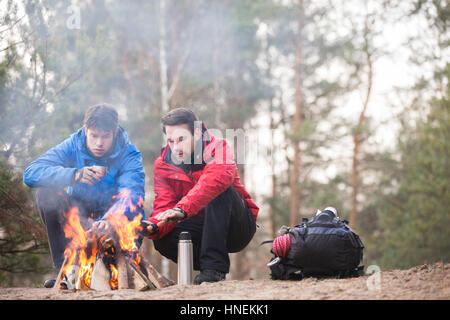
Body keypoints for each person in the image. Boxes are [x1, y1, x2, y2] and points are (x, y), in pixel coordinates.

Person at [23, 104, 145, 287]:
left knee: (139, 211)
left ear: (115, 131)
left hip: (112, 216)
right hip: (79, 215)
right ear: (86, 130)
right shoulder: (73, 144)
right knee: (45, 193)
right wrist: (73, 175)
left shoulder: (129, 153)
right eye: (94, 136)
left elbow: (132, 193)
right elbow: (31, 173)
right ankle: (67, 272)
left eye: (105, 137)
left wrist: (112, 218)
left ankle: (113, 272)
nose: (99, 143)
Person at [145, 108, 259, 284]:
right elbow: (164, 202)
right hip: (203, 228)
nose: (176, 147)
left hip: (237, 226)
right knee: (162, 238)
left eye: (181, 139)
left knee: (220, 190)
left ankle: (214, 269)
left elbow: (217, 178)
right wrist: (154, 225)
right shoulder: (163, 164)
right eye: (171, 141)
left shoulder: (218, 147)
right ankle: (210, 264)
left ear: (197, 133)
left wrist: (182, 209)